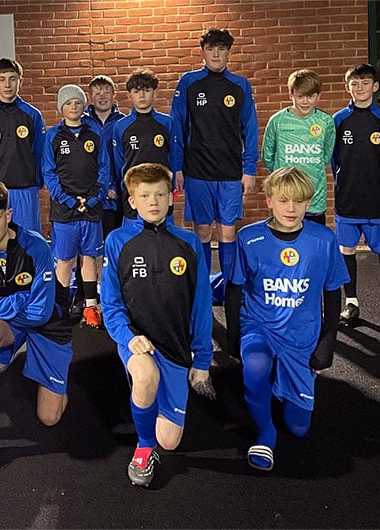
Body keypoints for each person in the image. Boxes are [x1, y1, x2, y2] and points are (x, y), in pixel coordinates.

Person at [224, 167, 348, 472]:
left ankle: (286, 380)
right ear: (269, 201)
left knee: (299, 428)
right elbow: (234, 289)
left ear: (309, 203)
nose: (291, 209)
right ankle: (265, 434)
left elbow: (332, 293)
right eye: (283, 200)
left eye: (298, 201)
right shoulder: (248, 237)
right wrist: (233, 334)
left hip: (301, 336)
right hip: (259, 326)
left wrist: (328, 341)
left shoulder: (323, 240)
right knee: (255, 365)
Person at [100, 163, 214, 488]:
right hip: (137, 341)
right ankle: (143, 446)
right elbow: (110, 304)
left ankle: (151, 412)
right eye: (145, 195)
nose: (153, 201)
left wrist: (202, 361)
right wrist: (128, 337)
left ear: (171, 197)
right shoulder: (117, 241)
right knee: (146, 375)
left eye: (160, 194)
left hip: (176, 348)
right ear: (132, 200)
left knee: (172, 441)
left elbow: (202, 305)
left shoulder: (189, 243)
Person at [0, 180, 73, 482]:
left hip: (49, 324)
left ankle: (55, 381)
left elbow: (40, 311)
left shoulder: (35, 246)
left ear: (8, 214)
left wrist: (4, 303)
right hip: (15, 317)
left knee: (50, 417)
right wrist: (20, 298)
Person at [170, 28, 258, 282]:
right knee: (202, 230)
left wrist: (249, 169)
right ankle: (204, 285)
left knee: (228, 231)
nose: (216, 54)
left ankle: (230, 286)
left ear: (229, 52)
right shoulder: (189, 82)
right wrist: (177, 167)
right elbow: (177, 127)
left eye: (221, 49)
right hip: (197, 171)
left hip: (230, 172)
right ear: (203, 52)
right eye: (211, 49)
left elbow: (250, 130)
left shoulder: (240, 85)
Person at [43, 84, 110, 328]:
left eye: (78, 103)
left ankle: (91, 306)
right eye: (69, 103)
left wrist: (93, 198)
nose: (74, 107)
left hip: (91, 207)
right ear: (62, 107)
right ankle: (61, 305)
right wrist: (68, 199)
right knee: (65, 259)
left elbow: (104, 168)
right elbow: (48, 172)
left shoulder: (94, 133)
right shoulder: (52, 136)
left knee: (90, 257)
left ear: (84, 106)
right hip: (65, 209)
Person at [331, 63, 380, 327]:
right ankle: (351, 304)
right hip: (348, 201)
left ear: (375, 86)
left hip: (377, 202)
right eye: (354, 83)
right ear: (347, 87)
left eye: (365, 82)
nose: (359, 88)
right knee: (346, 250)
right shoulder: (338, 121)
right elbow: (334, 159)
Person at [0, 58, 46, 233]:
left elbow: (40, 152)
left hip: (26, 189)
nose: (7, 84)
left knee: (29, 240)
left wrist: (37, 181)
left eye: (12, 79)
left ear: (20, 81)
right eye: (2, 79)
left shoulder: (32, 115)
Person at [262, 69, 335, 226]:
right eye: (300, 96)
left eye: (311, 96)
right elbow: (267, 156)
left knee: (313, 244)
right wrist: (283, 177)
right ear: (291, 95)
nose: (305, 101)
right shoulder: (277, 121)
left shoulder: (326, 122)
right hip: (285, 195)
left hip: (315, 198)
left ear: (318, 96)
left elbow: (326, 156)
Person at [111, 68, 179, 221]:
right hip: (134, 193)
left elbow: (173, 157)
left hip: (160, 192)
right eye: (136, 91)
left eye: (147, 90)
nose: (141, 95)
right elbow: (118, 163)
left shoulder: (167, 123)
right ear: (129, 95)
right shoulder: (120, 126)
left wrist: (171, 188)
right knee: (134, 239)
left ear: (155, 93)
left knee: (164, 239)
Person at [82, 74, 126, 238]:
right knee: (88, 249)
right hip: (89, 195)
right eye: (97, 93)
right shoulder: (81, 124)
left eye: (106, 92)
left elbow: (126, 159)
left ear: (114, 94)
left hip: (117, 197)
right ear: (89, 96)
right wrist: (99, 189)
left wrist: (114, 187)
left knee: (113, 243)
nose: (102, 97)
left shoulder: (123, 123)